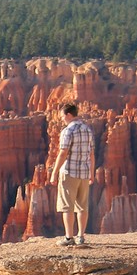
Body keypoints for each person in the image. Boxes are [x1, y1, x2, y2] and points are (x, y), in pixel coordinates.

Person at [51, 103, 95, 246]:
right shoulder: (87, 130)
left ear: (69, 115)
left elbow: (63, 153)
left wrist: (54, 172)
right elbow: (92, 154)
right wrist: (91, 173)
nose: (62, 119)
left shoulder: (68, 131)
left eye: (63, 116)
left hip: (69, 172)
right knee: (83, 206)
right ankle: (81, 236)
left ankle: (69, 238)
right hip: (84, 172)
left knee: (67, 206)